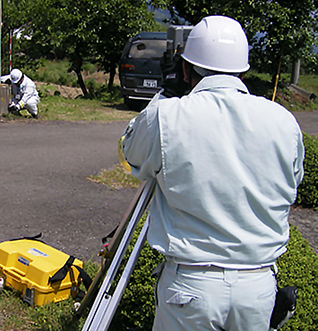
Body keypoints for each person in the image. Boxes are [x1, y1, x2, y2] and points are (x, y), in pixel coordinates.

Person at [121, 16, 304, 330]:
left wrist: (165, 95)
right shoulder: (284, 121)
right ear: (243, 71)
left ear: (184, 69)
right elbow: (293, 181)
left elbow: (129, 152)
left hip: (191, 285)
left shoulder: (167, 116)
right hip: (257, 287)